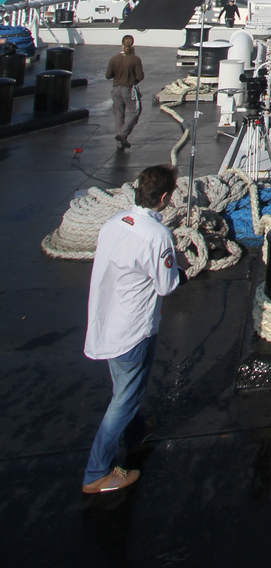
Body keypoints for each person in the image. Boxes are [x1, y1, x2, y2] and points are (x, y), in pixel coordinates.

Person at [82, 163, 181, 494]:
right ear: (163, 198)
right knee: (124, 399)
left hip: (108, 322)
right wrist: (178, 268)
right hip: (134, 331)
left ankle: (136, 432)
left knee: (124, 387)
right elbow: (166, 286)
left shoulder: (114, 222)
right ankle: (96, 472)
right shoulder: (158, 236)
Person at [105, 34, 145, 150]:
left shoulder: (114, 59)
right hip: (128, 89)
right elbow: (140, 76)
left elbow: (108, 75)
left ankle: (120, 142)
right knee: (135, 111)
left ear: (122, 44)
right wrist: (133, 80)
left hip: (116, 89)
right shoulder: (135, 59)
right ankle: (122, 135)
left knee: (119, 114)